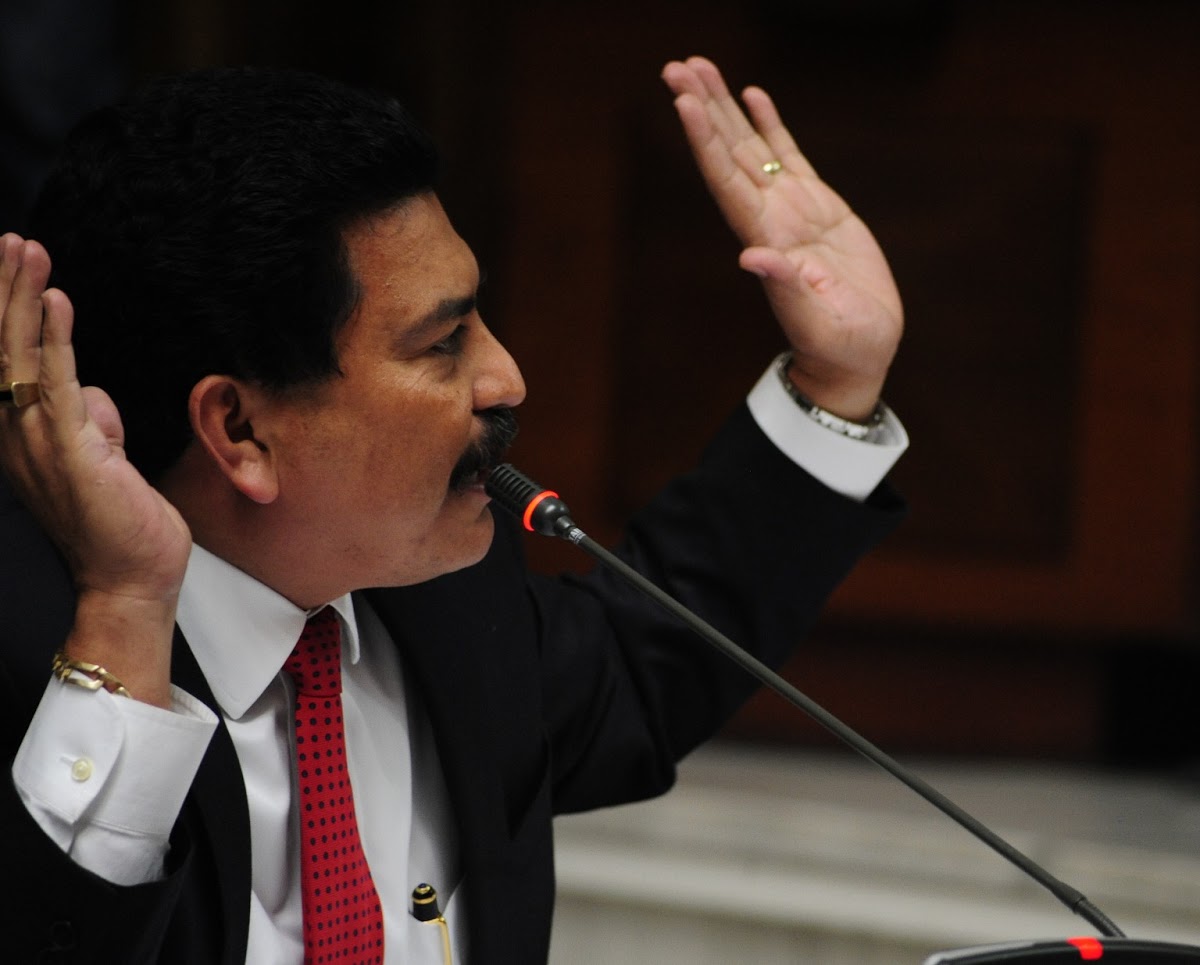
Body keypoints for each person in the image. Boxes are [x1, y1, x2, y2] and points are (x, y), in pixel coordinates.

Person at [0, 56, 906, 963]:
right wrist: (126, 611)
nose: (506, 378)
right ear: (240, 430)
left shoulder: (443, 599)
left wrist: (835, 380)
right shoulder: (44, 669)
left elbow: (643, 662)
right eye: (443, 343)